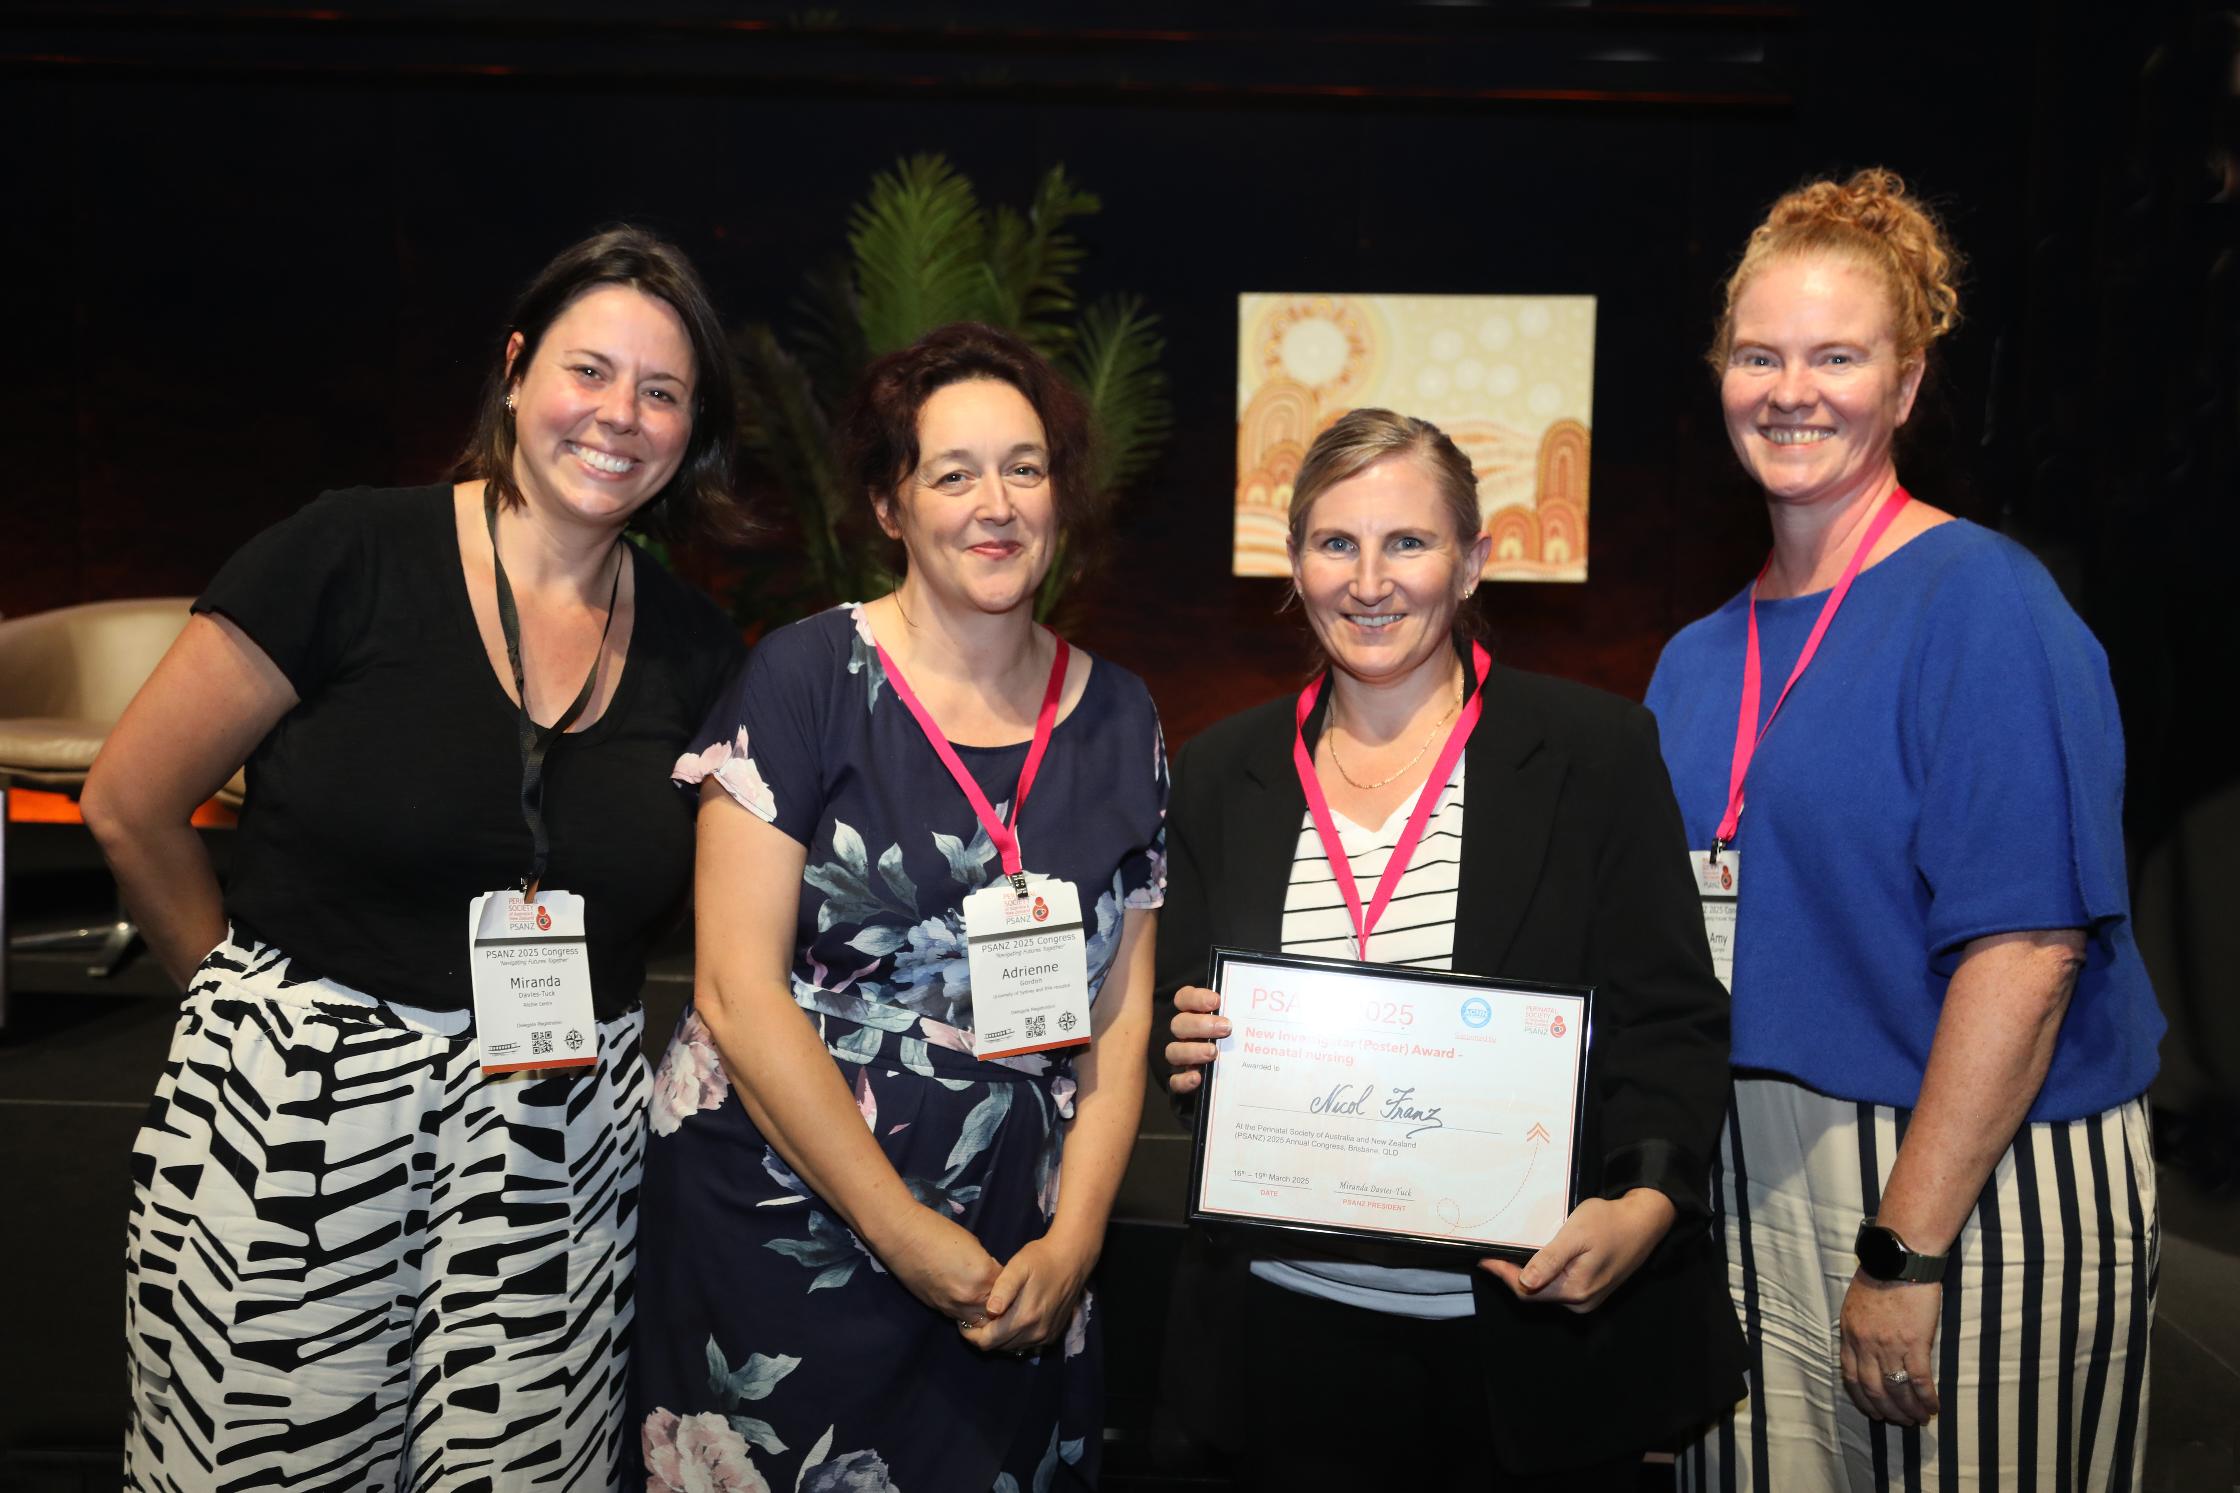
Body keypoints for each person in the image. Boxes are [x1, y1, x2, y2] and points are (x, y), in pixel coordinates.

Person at [84, 226, 749, 1491]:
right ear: (516, 369)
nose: (619, 414)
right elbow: (129, 800)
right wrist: (242, 1011)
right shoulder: (349, 552)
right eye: (589, 370)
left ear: (693, 430)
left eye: (662, 391)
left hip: (555, 1139)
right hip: (299, 1122)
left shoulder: (698, 649)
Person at [1647, 170, 2166, 1492]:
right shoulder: (1694, 660)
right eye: (1758, 355)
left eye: (1836, 356)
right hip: (1745, 1169)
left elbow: (2029, 952)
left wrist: (1905, 1245)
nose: (1791, 390)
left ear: (1907, 383)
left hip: (1969, 1175)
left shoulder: (1985, 603)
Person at [1156, 408, 1747, 1491]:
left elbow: (1671, 1019)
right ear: (1294, 562)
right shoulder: (1218, 771)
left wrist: (1644, 1207)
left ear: (1471, 561)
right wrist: (1186, 1042)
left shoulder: (1594, 754)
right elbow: (1183, 1017)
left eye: (1408, 542)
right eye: (1336, 543)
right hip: (1286, 1344)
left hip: (1525, 1349)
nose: (1368, 581)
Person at [634, 321, 1165, 1492]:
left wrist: (1075, 1239)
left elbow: (1120, 1018)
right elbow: (733, 988)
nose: (996, 504)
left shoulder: (1122, 714)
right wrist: (901, 1229)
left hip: (1019, 1239)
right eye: (953, 473)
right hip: (786, 1217)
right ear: (889, 503)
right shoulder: (804, 677)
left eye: (1024, 468)